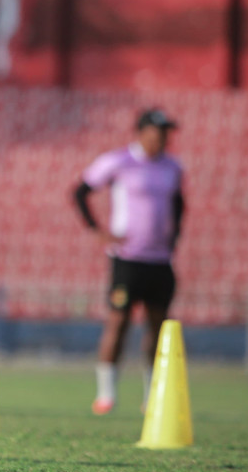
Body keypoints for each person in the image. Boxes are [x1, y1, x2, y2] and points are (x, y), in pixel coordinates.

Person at [74, 107, 186, 416]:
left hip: (159, 259)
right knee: (118, 322)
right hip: (128, 259)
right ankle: (106, 394)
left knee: (158, 327)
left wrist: (173, 238)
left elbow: (178, 203)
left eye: (166, 133)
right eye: (157, 132)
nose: (162, 139)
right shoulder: (119, 161)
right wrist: (97, 231)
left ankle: (153, 395)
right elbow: (81, 192)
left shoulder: (173, 167)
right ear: (141, 132)